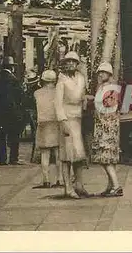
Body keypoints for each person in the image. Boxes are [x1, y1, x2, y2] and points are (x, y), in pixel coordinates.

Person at [55, 51, 89, 199]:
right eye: (68, 62)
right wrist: (62, 121)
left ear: (77, 64)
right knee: (67, 155)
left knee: (79, 154)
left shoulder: (81, 78)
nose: (70, 64)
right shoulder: (61, 80)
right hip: (67, 119)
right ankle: (68, 187)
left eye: (73, 62)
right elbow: (57, 103)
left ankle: (79, 184)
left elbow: (81, 95)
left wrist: (85, 100)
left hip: (78, 118)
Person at [92, 62, 123, 197]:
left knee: (105, 156)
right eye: (100, 72)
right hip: (106, 125)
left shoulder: (110, 88)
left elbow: (110, 106)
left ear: (109, 74)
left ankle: (116, 186)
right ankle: (111, 185)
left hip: (107, 126)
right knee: (109, 157)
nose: (101, 74)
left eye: (103, 72)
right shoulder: (105, 87)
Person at [33, 70, 64, 188]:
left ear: (43, 80)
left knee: (44, 154)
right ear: (54, 80)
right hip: (56, 123)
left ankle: (46, 180)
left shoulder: (37, 93)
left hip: (43, 124)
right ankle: (60, 179)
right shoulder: (58, 92)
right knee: (58, 153)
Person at [0, 56, 26, 165]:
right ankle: (13, 158)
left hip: (0, 112)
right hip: (12, 112)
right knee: (14, 136)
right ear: (12, 67)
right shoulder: (13, 79)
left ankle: (2, 159)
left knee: (1, 137)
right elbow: (19, 96)